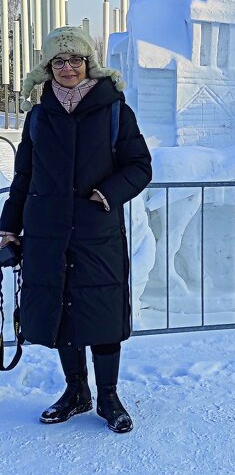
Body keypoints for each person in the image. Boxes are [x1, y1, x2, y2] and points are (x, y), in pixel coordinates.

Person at [0, 26, 152, 433]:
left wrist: (108, 194)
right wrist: (8, 229)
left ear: (89, 64)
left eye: (76, 60)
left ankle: (108, 396)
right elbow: (24, 176)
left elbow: (140, 166)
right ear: (48, 69)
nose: (68, 68)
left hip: (96, 232)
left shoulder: (115, 109)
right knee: (62, 314)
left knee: (100, 312)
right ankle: (76, 392)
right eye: (59, 61)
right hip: (47, 231)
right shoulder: (39, 116)